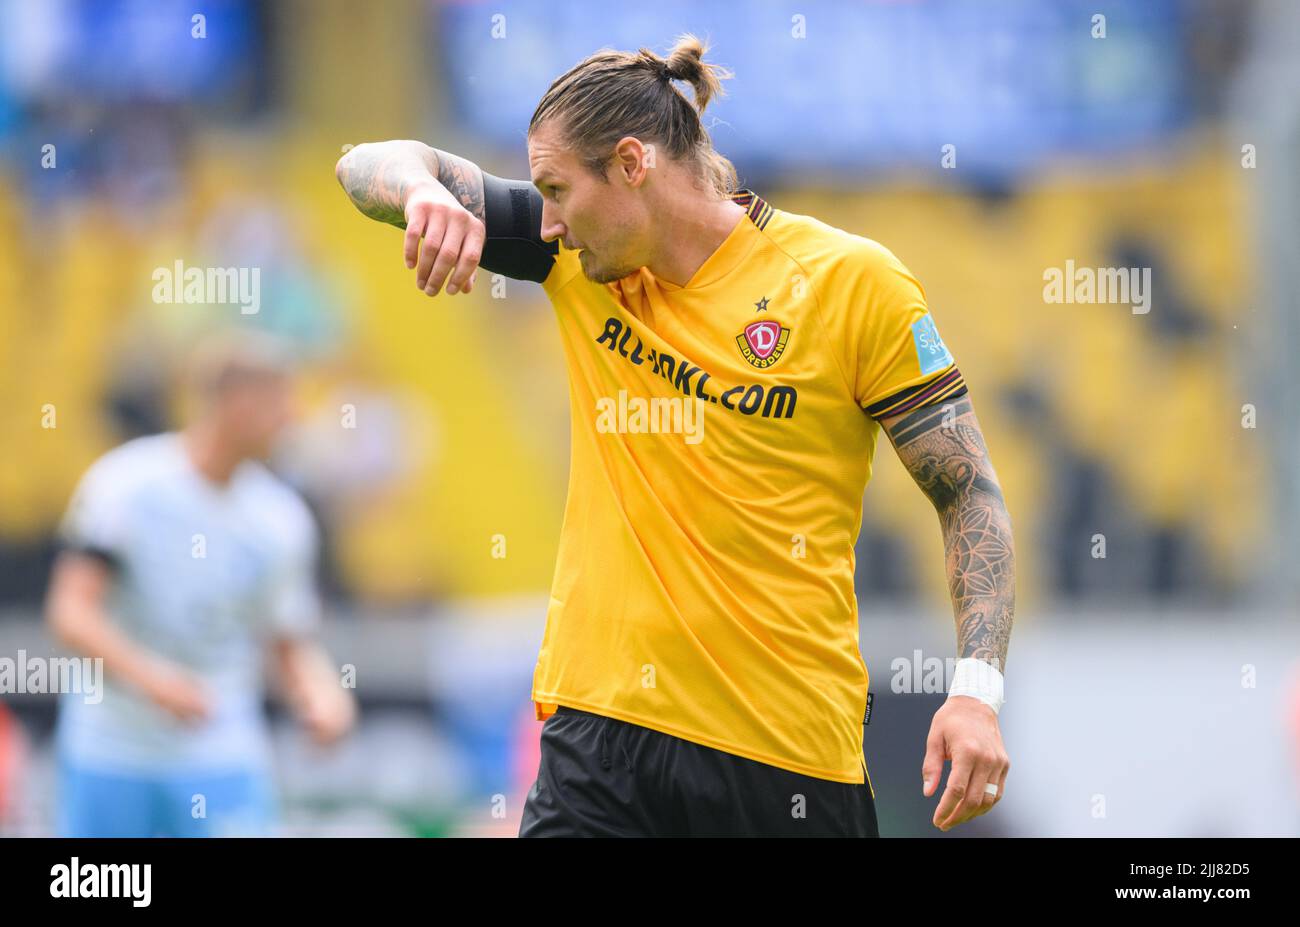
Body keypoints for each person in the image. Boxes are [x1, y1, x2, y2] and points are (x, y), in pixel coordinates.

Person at [336, 33, 1014, 837]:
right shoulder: (575, 262)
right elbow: (360, 164)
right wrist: (421, 192)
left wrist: (975, 688)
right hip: (600, 734)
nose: (545, 223)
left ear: (632, 164)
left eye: (557, 190)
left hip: (785, 754)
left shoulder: (849, 284)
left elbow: (966, 488)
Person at [45, 329, 357, 837]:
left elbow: (287, 641)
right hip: (112, 751)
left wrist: (323, 693)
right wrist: (156, 682)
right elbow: (70, 612)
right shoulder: (125, 484)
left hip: (223, 755)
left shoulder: (281, 519)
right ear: (236, 403)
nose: (293, 417)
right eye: (281, 400)